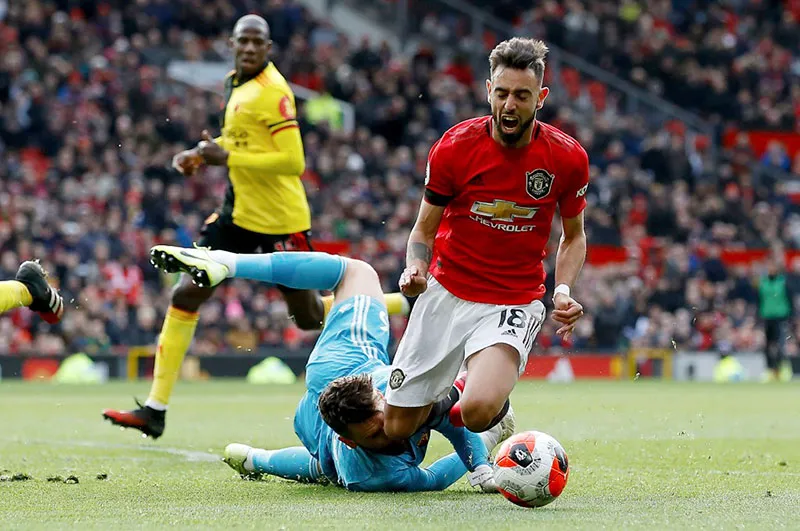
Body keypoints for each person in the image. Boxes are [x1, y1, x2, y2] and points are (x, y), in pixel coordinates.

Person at [102, 15, 407, 438]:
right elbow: (242, 141)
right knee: (187, 289)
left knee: (309, 315)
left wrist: (226, 159)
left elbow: (292, 161)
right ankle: (155, 409)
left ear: (268, 49)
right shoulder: (234, 83)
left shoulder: (275, 93)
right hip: (237, 214)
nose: (248, 49)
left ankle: (396, 302)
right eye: (242, 42)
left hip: (282, 220)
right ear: (232, 44)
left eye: (257, 43)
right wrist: (201, 152)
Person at [147, 244, 512, 492]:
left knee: (354, 275)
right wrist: (489, 442)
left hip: (340, 378)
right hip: (329, 396)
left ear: (382, 397)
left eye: (383, 419)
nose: (392, 431)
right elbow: (434, 477)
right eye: (376, 435)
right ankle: (228, 264)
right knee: (356, 272)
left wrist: (481, 465)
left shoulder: (397, 396)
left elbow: (449, 416)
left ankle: (253, 457)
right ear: (351, 440)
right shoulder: (377, 475)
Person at [384, 38, 589, 440]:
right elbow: (423, 230)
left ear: (541, 98)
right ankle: (453, 392)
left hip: (513, 298)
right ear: (488, 91)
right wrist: (415, 267)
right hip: (447, 290)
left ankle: (485, 402)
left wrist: (562, 289)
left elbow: (573, 237)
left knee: (477, 412)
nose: (510, 105)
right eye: (502, 93)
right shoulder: (455, 147)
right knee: (395, 431)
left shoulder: (567, 158)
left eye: (522, 95)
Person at [758, 257, 793, 382]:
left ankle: (781, 370)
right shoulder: (763, 282)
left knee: (780, 345)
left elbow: (790, 299)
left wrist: (791, 317)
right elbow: (759, 300)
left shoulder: (783, 282)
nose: (771, 269)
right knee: (767, 346)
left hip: (780, 317)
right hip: (767, 317)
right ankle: (770, 370)